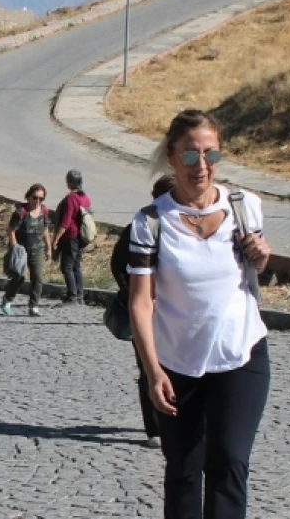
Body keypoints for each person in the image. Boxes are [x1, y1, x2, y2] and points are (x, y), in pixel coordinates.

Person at [127, 110, 271, 519]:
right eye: (190, 156)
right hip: (178, 365)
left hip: (241, 354)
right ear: (172, 158)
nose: (202, 166)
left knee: (229, 462)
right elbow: (141, 302)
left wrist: (262, 256)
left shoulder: (246, 208)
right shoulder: (151, 222)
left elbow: (255, 268)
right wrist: (153, 372)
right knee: (185, 470)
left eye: (211, 155)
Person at [110, 174, 175, 450]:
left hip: (174, 313)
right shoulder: (140, 226)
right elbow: (117, 264)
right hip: (145, 313)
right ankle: (154, 427)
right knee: (148, 367)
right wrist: (132, 295)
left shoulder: (181, 228)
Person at [1, 184, 51, 317]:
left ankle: (34, 306)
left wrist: (48, 248)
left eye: (41, 199)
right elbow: (11, 230)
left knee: (38, 277)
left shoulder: (44, 211)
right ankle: (8, 299)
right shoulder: (20, 212)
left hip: (37, 249)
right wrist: (15, 247)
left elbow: (45, 230)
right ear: (28, 197)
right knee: (18, 277)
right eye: (35, 198)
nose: (38, 201)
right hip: (21, 249)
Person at [51, 169, 91, 305]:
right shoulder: (85, 197)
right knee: (76, 266)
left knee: (67, 267)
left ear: (69, 182)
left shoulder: (71, 198)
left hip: (70, 237)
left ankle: (72, 296)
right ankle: (80, 295)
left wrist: (56, 238)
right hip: (81, 237)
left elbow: (65, 222)